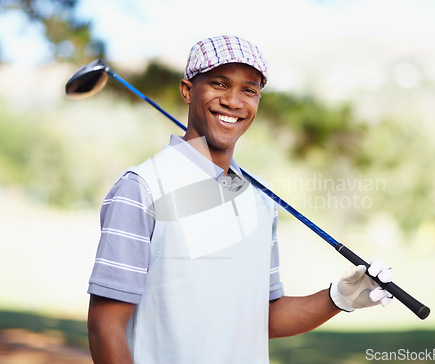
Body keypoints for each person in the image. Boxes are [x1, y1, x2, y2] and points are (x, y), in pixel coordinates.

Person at [86, 35, 393, 364]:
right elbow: (105, 327)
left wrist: (338, 297)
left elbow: (265, 316)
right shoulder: (142, 188)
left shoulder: (259, 196)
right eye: (219, 84)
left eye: (249, 90)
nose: (234, 101)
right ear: (188, 90)